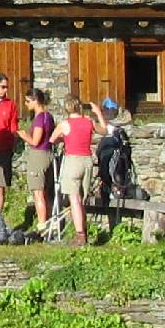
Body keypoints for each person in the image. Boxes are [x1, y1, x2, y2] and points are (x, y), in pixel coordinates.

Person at [55, 98, 98, 244]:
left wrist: (63, 139)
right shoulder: (89, 121)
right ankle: (83, 231)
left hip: (72, 160)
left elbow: (51, 140)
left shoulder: (65, 124)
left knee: (74, 199)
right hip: (87, 160)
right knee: (82, 198)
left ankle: (80, 235)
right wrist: (98, 112)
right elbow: (104, 130)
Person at [21, 86, 57, 231]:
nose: (26, 104)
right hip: (48, 154)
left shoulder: (39, 118)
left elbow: (35, 141)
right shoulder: (49, 116)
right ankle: (49, 222)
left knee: (38, 192)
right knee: (46, 192)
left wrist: (23, 135)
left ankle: (42, 225)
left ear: (36, 101)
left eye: (28, 101)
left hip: (38, 155)